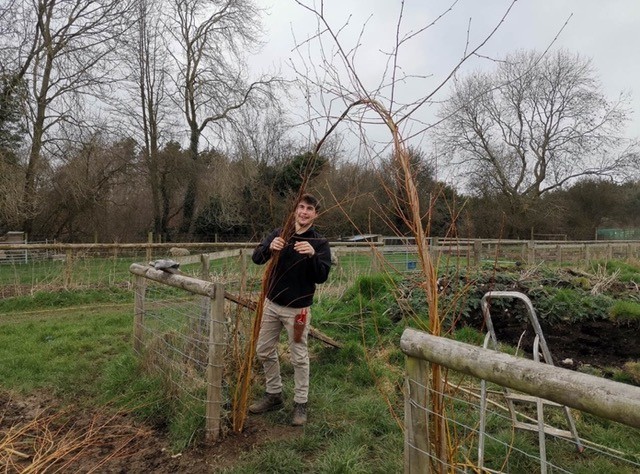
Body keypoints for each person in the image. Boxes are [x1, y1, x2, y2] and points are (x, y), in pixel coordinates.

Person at [248, 193, 332, 426]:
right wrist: (268, 248)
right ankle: (274, 394)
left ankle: (300, 404)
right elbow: (256, 258)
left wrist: (313, 256)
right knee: (263, 350)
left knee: (299, 357)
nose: (304, 212)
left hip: (298, 311)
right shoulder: (279, 233)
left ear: (316, 214)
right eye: (301, 207)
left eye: (310, 209)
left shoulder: (320, 243)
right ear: (295, 210)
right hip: (272, 305)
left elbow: (322, 277)